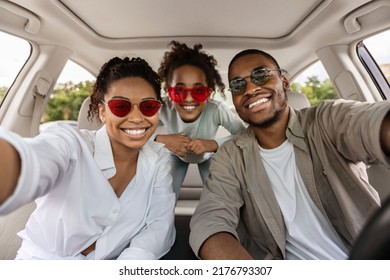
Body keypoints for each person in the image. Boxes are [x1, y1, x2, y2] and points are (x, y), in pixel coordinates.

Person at [189, 49, 390, 260]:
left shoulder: (326, 120)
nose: (250, 88)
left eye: (260, 75)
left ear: (284, 82)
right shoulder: (230, 156)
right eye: (238, 85)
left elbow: (368, 123)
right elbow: (210, 220)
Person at [0, 57, 176, 259]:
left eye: (148, 107)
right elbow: (34, 160)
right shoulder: (71, 143)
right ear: (103, 112)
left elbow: (158, 225)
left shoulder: (158, 158)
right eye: (121, 106)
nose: (137, 118)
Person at [156, 41, 246, 197]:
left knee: (217, 195)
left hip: (208, 156)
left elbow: (244, 134)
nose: (189, 98)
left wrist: (212, 144)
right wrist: (162, 139)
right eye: (179, 90)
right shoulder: (162, 107)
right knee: (165, 194)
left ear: (209, 92)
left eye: (198, 90)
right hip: (176, 156)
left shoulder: (216, 109)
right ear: (167, 92)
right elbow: (137, 131)